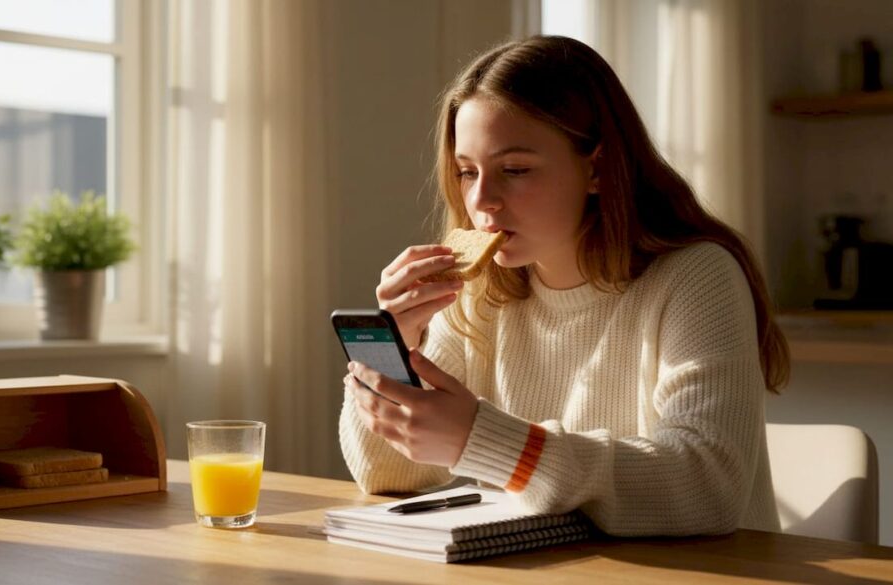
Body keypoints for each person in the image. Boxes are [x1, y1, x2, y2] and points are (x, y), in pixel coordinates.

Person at [338, 35, 788, 536]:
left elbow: (708, 486)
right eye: (467, 172)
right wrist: (393, 353)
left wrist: (490, 442)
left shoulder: (697, 277)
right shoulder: (478, 295)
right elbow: (387, 475)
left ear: (596, 167)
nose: (482, 200)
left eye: (514, 169)